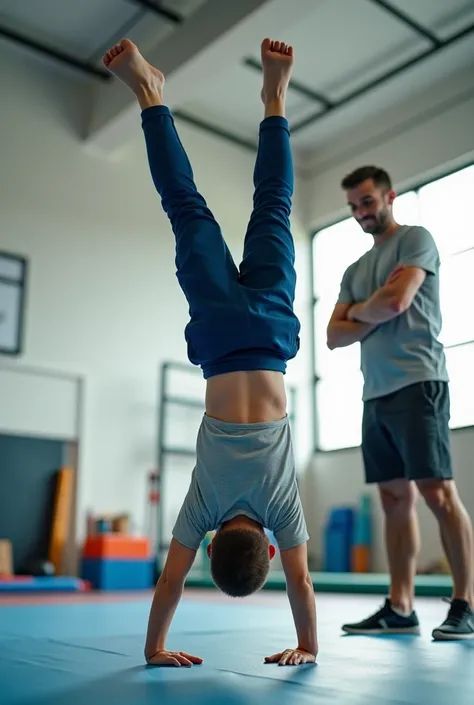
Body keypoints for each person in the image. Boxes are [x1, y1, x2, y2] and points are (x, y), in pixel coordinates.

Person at [102, 38, 317, 667]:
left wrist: (306, 646)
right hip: (222, 335)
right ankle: (150, 94)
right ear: (212, 541)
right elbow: (170, 582)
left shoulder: (282, 507)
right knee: (185, 209)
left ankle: (275, 95)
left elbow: (302, 586)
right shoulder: (201, 506)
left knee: (273, 205)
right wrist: (154, 649)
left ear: (270, 550)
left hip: (272, 335)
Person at [326, 165, 474, 640]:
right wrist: (378, 303)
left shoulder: (416, 239)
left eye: (367, 202)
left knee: (437, 493)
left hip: (419, 382)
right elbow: (332, 335)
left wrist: (360, 312)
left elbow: (397, 302)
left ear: (388, 196)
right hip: (375, 392)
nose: (360, 213)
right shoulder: (355, 269)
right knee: (394, 499)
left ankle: (465, 604)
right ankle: (401, 605)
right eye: (353, 207)